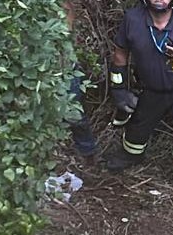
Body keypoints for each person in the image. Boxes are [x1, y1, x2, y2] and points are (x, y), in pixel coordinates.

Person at [106, 0, 173, 198]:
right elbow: (120, 52)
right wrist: (118, 88)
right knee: (137, 128)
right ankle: (131, 156)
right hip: (151, 89)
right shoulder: (133, 19)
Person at [64, 1, 99, 158]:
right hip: (37, 69)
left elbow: (68, 24)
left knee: (75, 114)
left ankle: (87, 152)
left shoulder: (63, 7)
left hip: (64, 68)